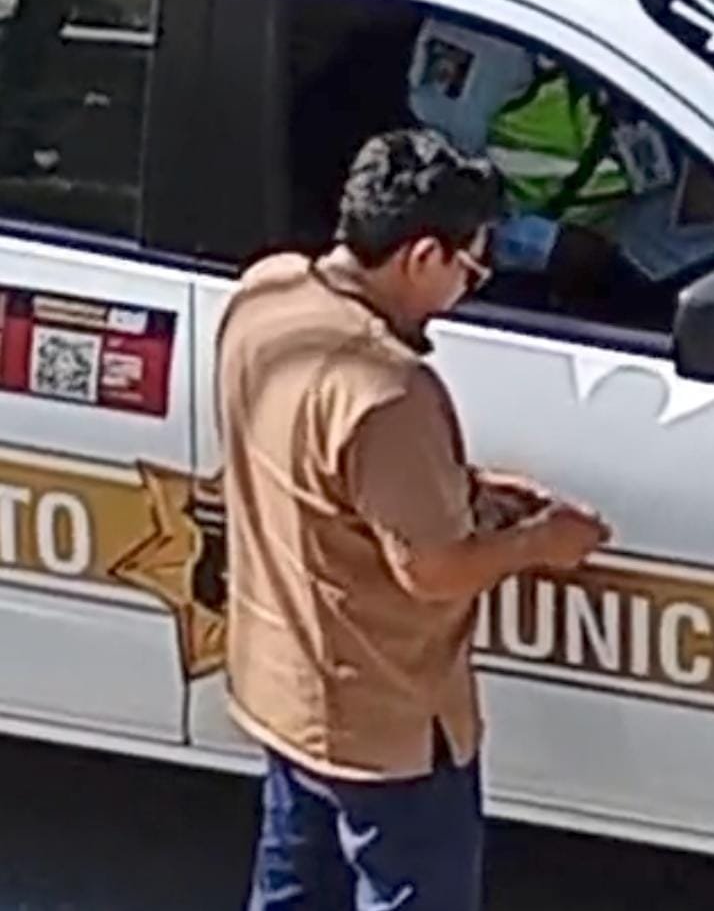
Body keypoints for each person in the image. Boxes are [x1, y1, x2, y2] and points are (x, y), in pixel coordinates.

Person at [216, 128, 611, 911]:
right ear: (422, 254)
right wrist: (540, 542)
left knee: (292, 891)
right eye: (471, 264)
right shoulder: (388, 387)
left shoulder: (265, 292)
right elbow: (431, 570)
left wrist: (460, 486)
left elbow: (320, 471)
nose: (474, 281)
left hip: (285, 691)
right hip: (385, 723)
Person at [407, 16, 714, 319]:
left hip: (669, 194)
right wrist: (547, 245)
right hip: (568, 250)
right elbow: (435, 196)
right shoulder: (483, 43)